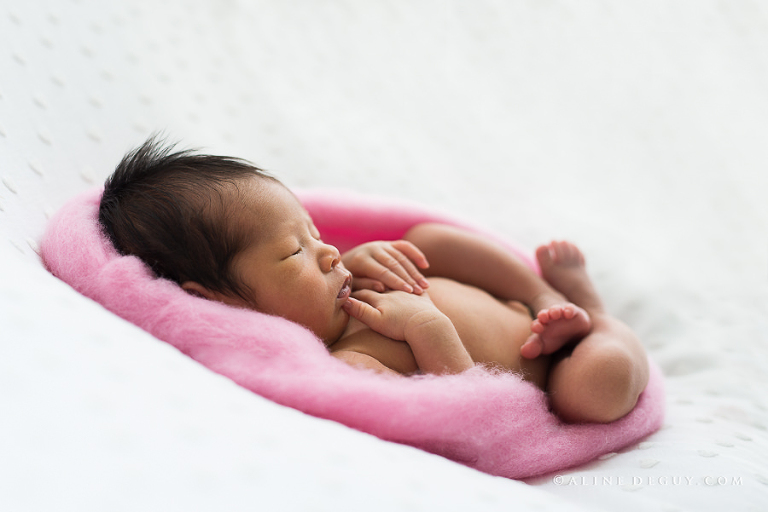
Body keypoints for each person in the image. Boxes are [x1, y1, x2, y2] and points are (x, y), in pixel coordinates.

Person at [99, 136, 650, 423]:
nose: (328, 253)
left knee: (429, 241)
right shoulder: (350, 363)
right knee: (597, 391)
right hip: (554, 370)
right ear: (222, 301)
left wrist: (373, 256)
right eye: (295, 251)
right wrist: (427, 328)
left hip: (524, 305)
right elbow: (472, 413)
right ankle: (598, 322)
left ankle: (550, 293)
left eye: (315, 233)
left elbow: (395, 256)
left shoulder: (345, 277)